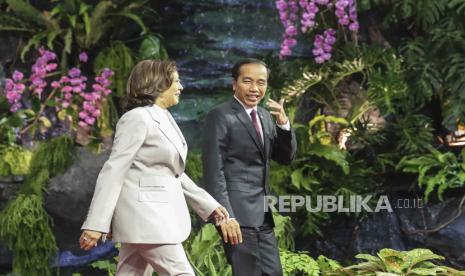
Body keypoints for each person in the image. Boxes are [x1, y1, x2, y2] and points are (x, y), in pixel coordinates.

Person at [79, 60, 228, 276]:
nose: (181, 87)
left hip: (148, 219)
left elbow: (174, 174)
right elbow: (114, 171)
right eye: (176, 81)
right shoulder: (137, 118)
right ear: (157, 84)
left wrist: (208, 205)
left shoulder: (163, 117)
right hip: (149, 218)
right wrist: (96, 223)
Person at [202, 58, 297, 276]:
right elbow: (213, 171)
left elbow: (285, 157)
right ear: (234, 84)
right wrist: (226, 217)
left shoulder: (264, 116)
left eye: (261, 82)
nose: (255, 88)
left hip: (262, 214)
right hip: (237, 215)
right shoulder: (220, 115)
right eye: (248, 81)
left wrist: (283, 124)